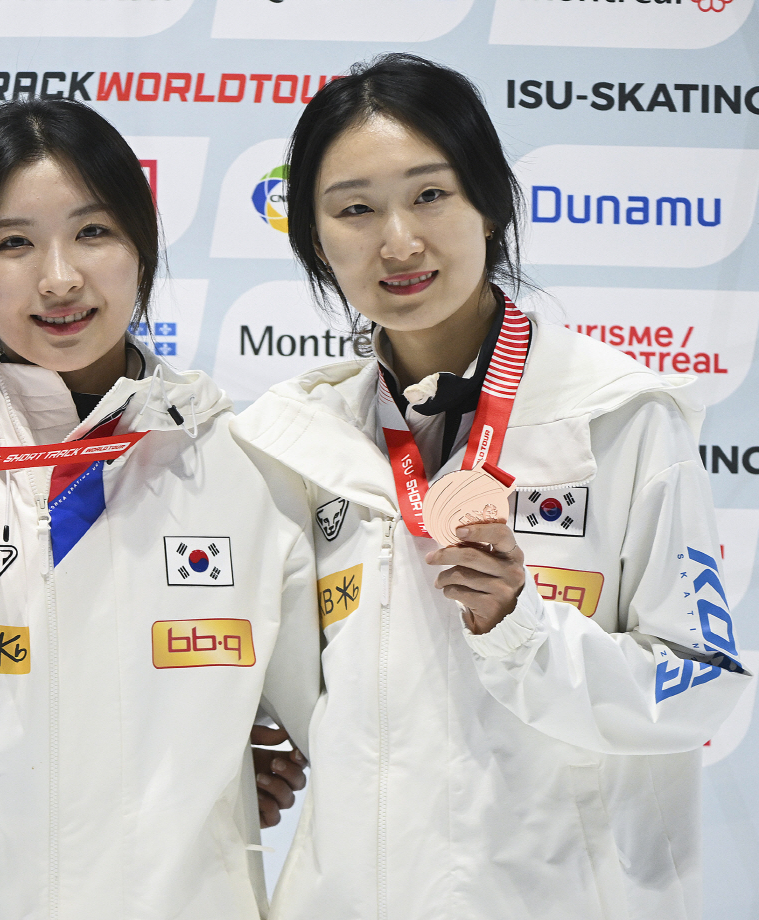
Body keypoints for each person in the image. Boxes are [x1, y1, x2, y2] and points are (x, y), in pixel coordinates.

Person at [232, 53, 752, 920]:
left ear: (492, 202)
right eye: (355, 210)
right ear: (316, 242)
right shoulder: (296, 442)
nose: (398, 241)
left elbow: (704, 685)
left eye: (429, 195)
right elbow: (292, 696)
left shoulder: (617, 418)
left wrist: (524, 632)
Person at [0, 98, 321, 919]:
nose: (59, 277)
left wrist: (234, 755)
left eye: (93, 232)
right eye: (14, 242)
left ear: (141, 250)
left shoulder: (250, 471)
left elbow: (339, 724)